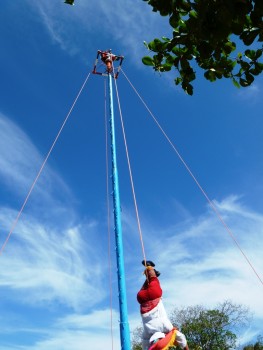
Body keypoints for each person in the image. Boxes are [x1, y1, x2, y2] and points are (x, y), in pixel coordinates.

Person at [137, 261, 189, 350]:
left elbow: (182, 339)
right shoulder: (147, 334)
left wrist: (187, 349)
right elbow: (145, 346)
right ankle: (150, 271)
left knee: (153, 280)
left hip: (154, 297)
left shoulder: (168, 327)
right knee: (146, 286)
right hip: (142, 301)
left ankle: (151, 268)